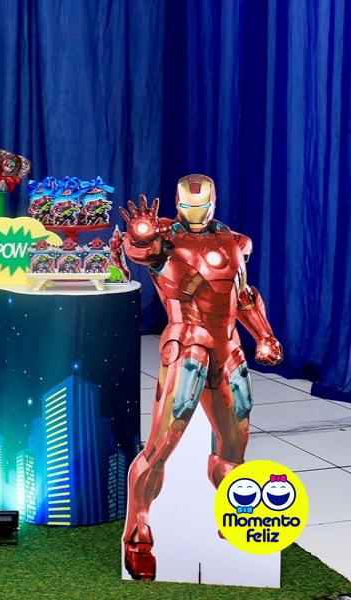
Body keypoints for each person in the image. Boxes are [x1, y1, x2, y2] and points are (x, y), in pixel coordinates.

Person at [119, 174, 283, 581]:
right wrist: (140, 234)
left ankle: (232, 514)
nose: (196, 213)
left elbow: (243, 296)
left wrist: (264, 335)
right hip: (188, 346)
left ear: (213, 202)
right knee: (162, 445)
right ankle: (138, 531)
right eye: (189, 205)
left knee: (234, 447)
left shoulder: (235, 242)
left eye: (202, 205)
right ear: (178, 204)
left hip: (228, 348)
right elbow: (140, 249)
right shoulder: (164, 240)